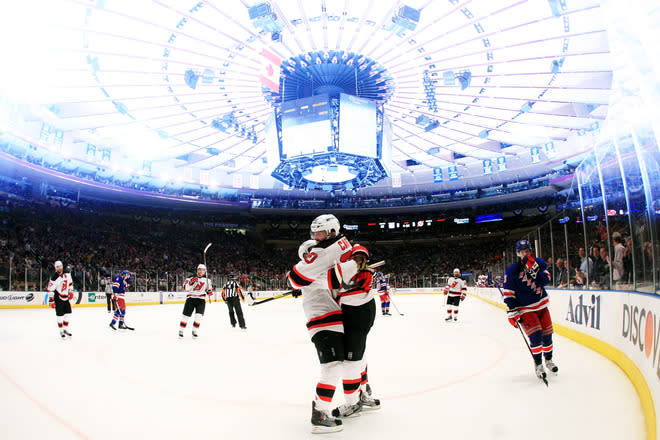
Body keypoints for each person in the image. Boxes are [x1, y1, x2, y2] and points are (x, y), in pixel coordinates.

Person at [286, 214, 352, 433]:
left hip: (331, 317)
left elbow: (300, 278)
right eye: (314, 234)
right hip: (322, 320)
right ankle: (320, 413)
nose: (316, 237)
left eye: (319, 233)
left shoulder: (319, 265)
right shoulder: (319, 258)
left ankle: (325, 408)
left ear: (332, 231)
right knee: (332, 367)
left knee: (339, 364)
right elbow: (296, 277)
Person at [329, 244, 381, 417]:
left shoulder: (348, 251)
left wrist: (359, 263)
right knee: (359, 354)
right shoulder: (330, 255)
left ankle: (353, 403)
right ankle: (363, 391)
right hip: (354, 310)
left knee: (351, 360)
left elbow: (360, 253)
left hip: (358, 311)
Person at [502, 239, 558, 382]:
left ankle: (549, 360)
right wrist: (512, 310)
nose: (525, 254)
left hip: (542, 306)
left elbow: (546, 281)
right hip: (526, 309)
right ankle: (538, 364)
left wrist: (535, 271)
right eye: (522, 252)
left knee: (547, 336)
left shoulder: (538, 263)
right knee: (535, 337)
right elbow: (508, 292)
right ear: (518, 253)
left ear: (530, 251)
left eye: (527, 251)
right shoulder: (512, 271)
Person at [179, 264, 213, 338]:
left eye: (203, 270)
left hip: (201, 300)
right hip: (191, 299)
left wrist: (209, 292)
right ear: (197, 270)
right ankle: (181, 330)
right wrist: (191, 282)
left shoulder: (208, 280)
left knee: (198, 316)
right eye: (199, 269)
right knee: (186, 316)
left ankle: (195, 331)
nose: (201, 271)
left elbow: (209, 289)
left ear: (205, 271)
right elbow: (186, 288)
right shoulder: (190, 277)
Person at [47, 260, 74, 339]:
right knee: (60, 315)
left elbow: (70, 283)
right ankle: (61, 330)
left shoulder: (67, 274)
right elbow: (50, 289)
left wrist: (71, 291)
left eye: (60, 266)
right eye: (57, 267)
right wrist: (51, 300)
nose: (59, 268)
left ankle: (65, 329)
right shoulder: (54, 277)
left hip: (66, 298)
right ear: (55, 268)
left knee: (68, 314)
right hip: (58, 298)